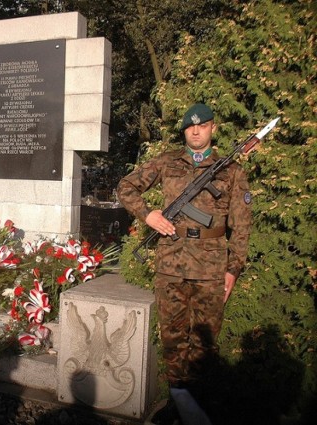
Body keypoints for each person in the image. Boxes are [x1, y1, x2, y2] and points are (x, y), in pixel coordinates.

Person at [116, 103, 253, 424]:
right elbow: (126, 187)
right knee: (173, 337)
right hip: (171, 264)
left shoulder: (231, 170)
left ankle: (199, 406)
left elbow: (242, 226)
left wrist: (233, 269)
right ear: (183, 131)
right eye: (190, 127)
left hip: (211, 268)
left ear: (212, 128)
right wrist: (148, 214)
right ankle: (179, 403)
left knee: (204, 341)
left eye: (202, 125)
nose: (195, 131)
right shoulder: (166, 162)